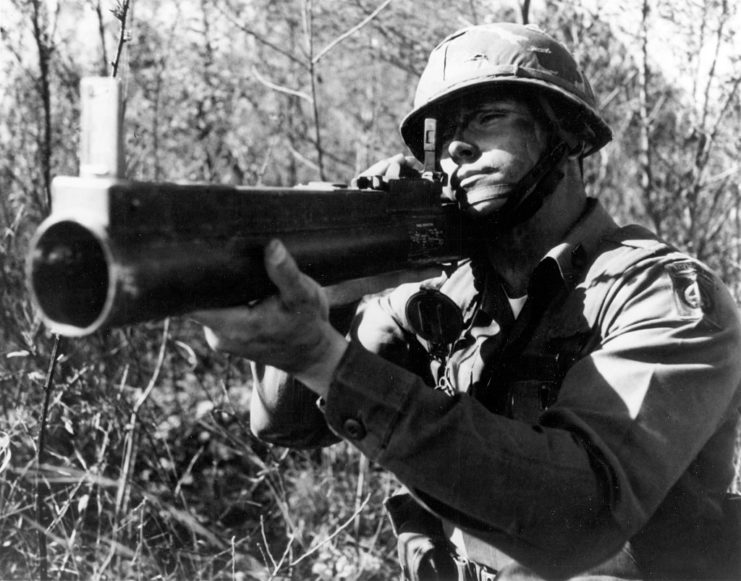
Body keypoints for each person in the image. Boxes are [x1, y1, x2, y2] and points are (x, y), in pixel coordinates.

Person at [193, 22, 741, 580]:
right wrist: (335, 279)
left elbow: (586, 509)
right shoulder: (442, 294)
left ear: (568, 135)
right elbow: (287, 426)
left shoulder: (664, 296)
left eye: (487, 117)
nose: (455, 145)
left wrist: (322, 359)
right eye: (444, 131)